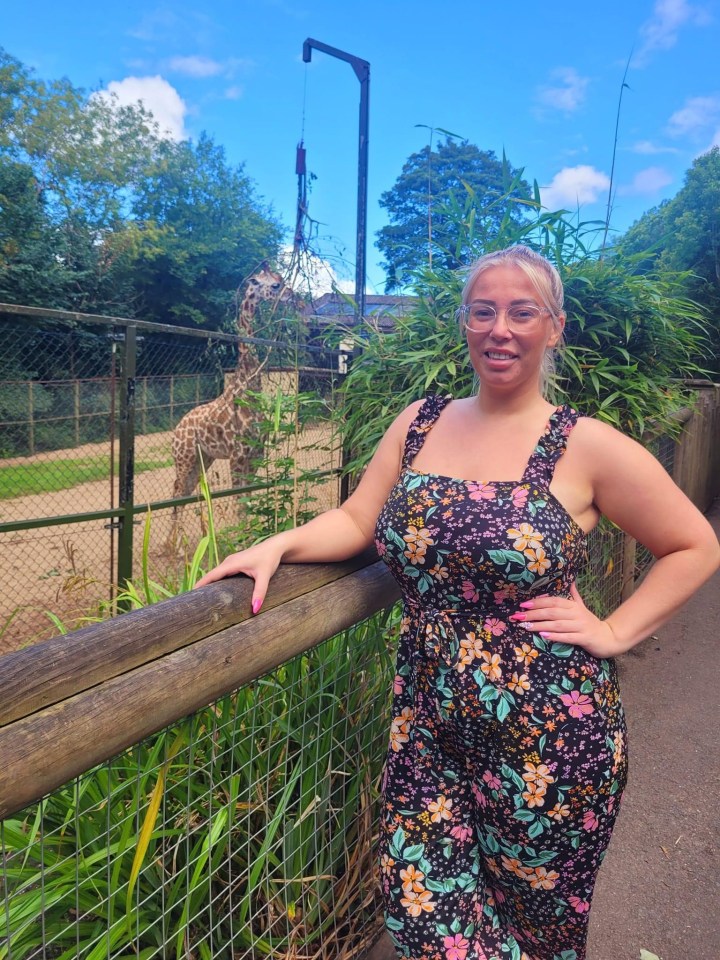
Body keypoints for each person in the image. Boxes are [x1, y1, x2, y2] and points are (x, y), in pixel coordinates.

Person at [196, 245, 720, 960]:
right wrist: (279, 545)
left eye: (521, 312)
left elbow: (695, 545)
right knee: (424, 918)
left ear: (554, 327)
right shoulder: (420, 423)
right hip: (429, 729)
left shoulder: (586, 447)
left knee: (537, 937)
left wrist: (614, 629)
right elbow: (358, 521)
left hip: (550, 743)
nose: (500, 328)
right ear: (465, 324)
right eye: (483, 311)